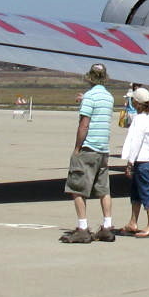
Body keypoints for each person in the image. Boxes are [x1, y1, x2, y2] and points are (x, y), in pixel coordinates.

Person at [62, 64, 116, 243]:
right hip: (103, 149)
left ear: (89, 78)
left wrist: (77, 147)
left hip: (89, 147)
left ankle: (83, 227)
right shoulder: (108, 97)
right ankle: (107, 225)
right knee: (103, 189)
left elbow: (84, 124)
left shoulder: (90, 97)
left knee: (77, 188)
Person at [119, 87, 149, 237]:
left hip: (142, 160)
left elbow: (136, 141)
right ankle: (133, 222)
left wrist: (130, 163)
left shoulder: (140, 119)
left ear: (136, 102)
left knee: (145, 191)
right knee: (136, 191)